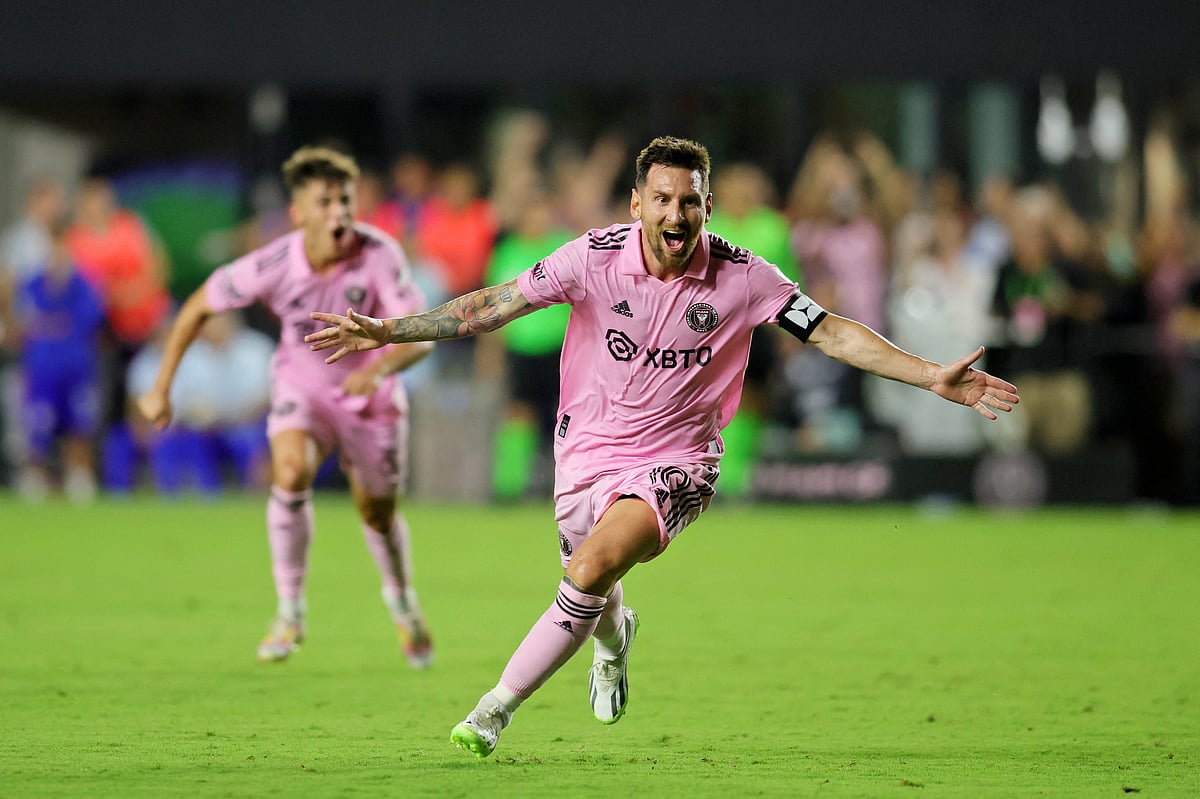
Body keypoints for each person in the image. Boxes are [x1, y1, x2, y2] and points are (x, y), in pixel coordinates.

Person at [306, 136, 1019, 757]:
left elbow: (830, 331)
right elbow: (493, 306)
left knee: (590, 566)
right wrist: (390, 330)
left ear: (707, 207)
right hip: (585, 451)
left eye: (691, 202)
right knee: (589, 577)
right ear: (636, 204)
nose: (677, 215)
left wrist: (931, 374)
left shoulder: (745, 275)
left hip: (679, 461)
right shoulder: (591, 257)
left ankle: (493, 709)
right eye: (663, 200)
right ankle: (615, 639)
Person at [137, 146, 436, 667]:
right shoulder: (274, 262)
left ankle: (402, 603)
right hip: (303, 388)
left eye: (345, 201)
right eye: (325, 202)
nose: (339, 212)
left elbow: (422, 334)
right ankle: (289, 612)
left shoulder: (379, 254)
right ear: (298, 214)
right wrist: (162, 387)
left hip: (370, 396)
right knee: (291, 471)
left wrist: (376, 370)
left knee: (377, 513)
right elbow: (198, 306)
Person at [13, 215, 106, 502]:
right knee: (37, 422)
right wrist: (52, 324)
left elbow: (88, 321)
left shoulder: (85, 285)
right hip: (41, 366)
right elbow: (24, 322)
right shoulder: (32, 284)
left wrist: (49, 323)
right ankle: (35, 474)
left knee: (80, 421)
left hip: (76, 365)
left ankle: (78, 474)